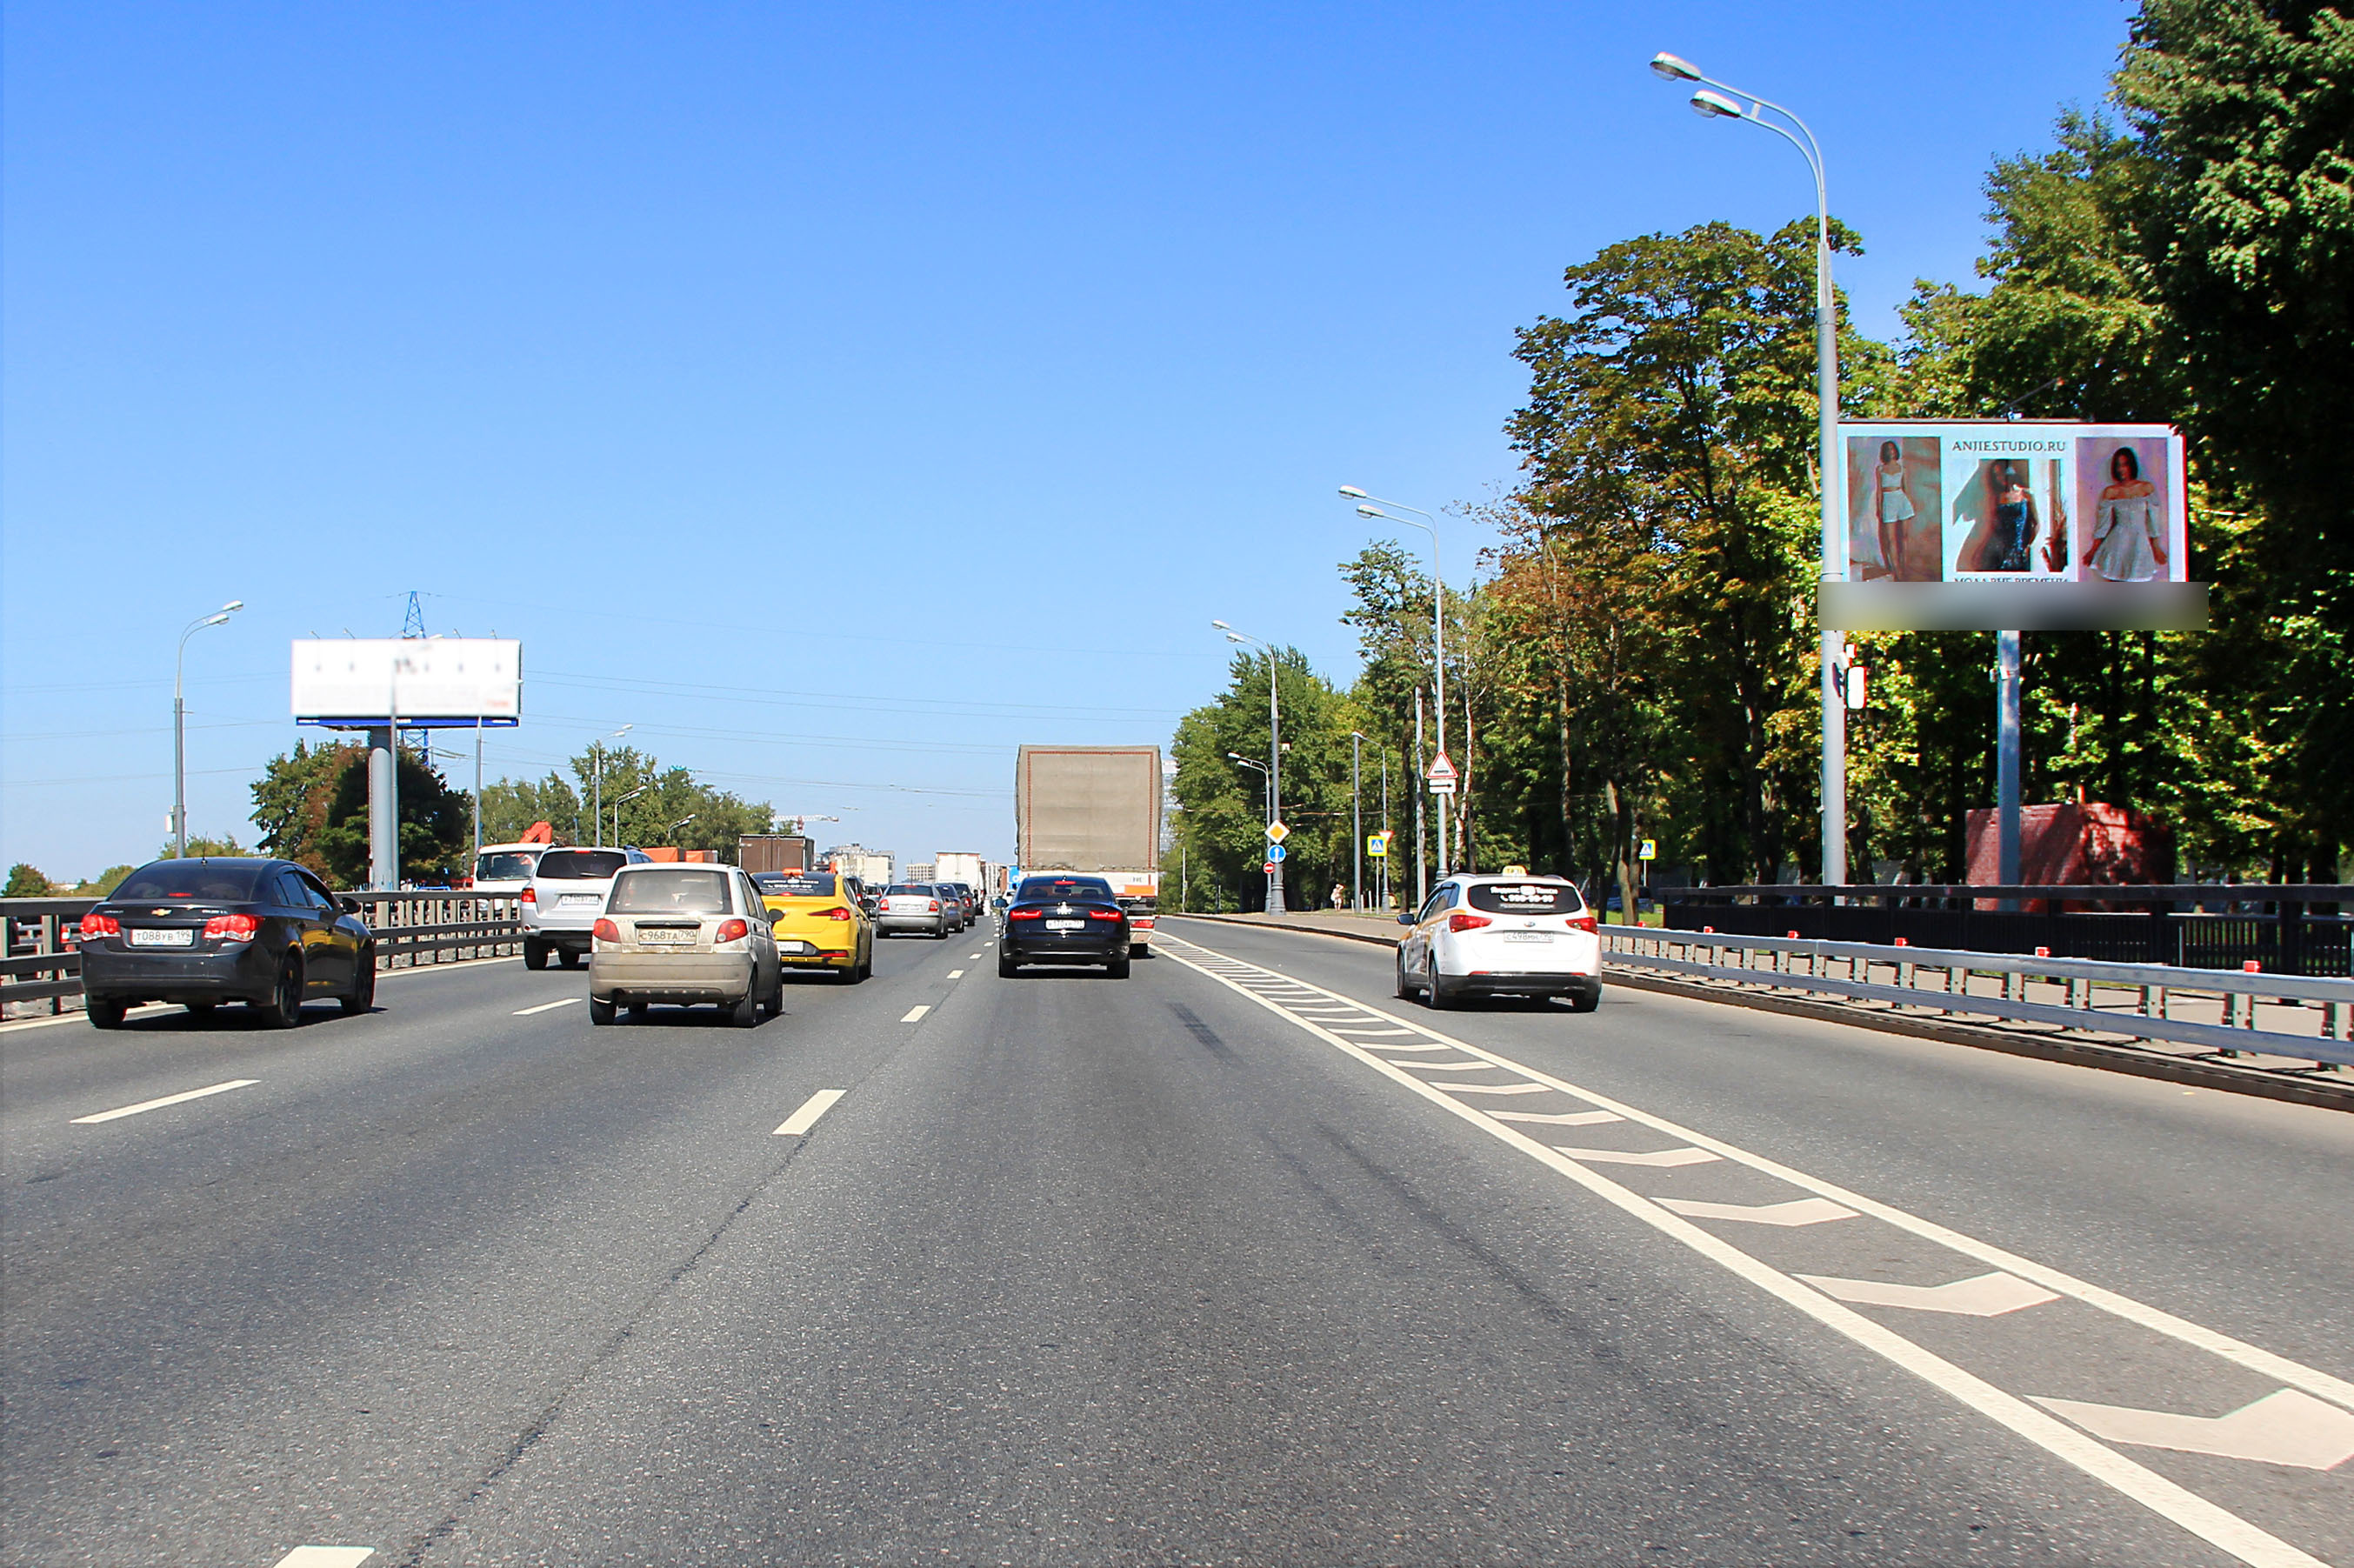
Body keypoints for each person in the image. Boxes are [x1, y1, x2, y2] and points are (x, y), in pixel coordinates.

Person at [2084, 445, 2168, 582]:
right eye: (2118, 465)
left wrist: (2156, 546)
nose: (2121, 469)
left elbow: (2153, 520)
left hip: (2139, 541)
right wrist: (2093, 550)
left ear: (2132, 465)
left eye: (2125, 465)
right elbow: (2103, 524)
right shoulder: (2111, 492)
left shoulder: (2146, 488)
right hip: (2117, 543)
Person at [1873, 440, 1917, 579]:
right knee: (1891, 538)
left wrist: (1910, 503)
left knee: (1904, 536)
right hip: (1888, 500)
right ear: (1885, 453)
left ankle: (1904, 564)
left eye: (1893, 449)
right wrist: (1879, 507)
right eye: (1888, 450)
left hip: (1901, 499)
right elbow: (1879, 490)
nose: (1891, 452)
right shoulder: (1880, 469)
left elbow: (1906, 488)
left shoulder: (1902, 468)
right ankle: (1896, 569)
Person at [1984, 458, 2037, 571]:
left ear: (2009, 471)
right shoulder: (1998, 497)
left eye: (2001, 473)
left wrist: (2028, 545)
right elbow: (1995, 523)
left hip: (2019, 547)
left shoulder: (2026, 494)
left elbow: (2036, 523)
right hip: (2001, 547)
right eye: (1996, 475)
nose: (2000, 478)